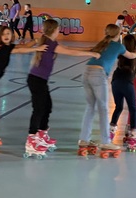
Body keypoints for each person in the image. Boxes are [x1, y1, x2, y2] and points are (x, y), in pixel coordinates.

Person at [24, 18, 90, 158]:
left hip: (39, 80)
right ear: (54, 30)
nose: (59, 31)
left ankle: (42, 134)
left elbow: (70, 49)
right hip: (36, 80)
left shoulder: (47, 41)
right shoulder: (50, 43)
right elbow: (71, 52)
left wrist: (89, 49)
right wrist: (91, 53)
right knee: (39, 108)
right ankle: (31, 139)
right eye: (58, 29)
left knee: (47, 106)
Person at [78, 24, 136, 157]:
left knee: (90, 107)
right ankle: (106, 141)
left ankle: (84, 140)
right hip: (98, 75)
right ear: (118, 34)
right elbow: (131, 56)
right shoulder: (119, 46)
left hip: (86, 73)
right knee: (103, 109)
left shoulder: (102, 44)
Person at [109, 34, 136, 152]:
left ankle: (111, 131)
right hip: (127, 82)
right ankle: (133, 135)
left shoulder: (121, 54)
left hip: (115, 81)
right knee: (132, 108)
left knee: (118, 107)